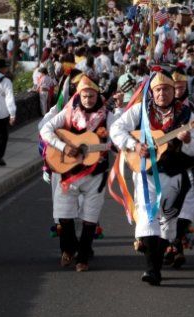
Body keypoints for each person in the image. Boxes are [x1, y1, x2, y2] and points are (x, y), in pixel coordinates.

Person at [110, 70, 194, 286]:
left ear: (174, 91)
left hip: (175, 176)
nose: (162, 93)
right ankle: (152, 270)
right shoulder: (140, 111)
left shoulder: (187, 114)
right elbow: (116, 128)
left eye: (167, 89)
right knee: (148, 219)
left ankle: (156, 263)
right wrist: (134, 144)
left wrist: (187, 140)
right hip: (147, 173)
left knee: (168, 226)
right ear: (152, 91)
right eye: (158, 89)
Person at [40, 76, 114, 272]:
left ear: (98, 95)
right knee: (64, 216)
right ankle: (68, 249)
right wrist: (63, 146)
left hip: (96, 174)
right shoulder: (68, 112)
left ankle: (83, 256)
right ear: (78, 95)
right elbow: (45, 129)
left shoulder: (108, 115)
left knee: (90, 217)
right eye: (84, 95)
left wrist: (112, 144)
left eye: (91, 95)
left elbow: (117, 139)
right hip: (69, 173)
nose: (88, 99)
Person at [163, 68, 194, 269]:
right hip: (163, 167)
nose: (178, 90)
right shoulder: (158, 108)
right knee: (166, 209)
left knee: (186, 208)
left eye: (181, 87)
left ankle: (177, 247)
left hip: (188, 166)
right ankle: (167, 245)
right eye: (175, 87)